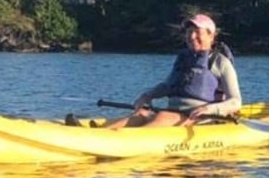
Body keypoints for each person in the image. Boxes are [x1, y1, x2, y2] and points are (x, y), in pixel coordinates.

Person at [102, 13, 242, 129]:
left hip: (201, 119)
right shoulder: (183, 59)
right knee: (141, 113)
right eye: (189, 32)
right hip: (174, 113)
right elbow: (167, 86)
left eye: (197, 32)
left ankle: (126, 141)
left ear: (211, 36)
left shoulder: (221, 63)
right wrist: (147, 96)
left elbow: (235, 102)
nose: (192, 36)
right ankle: (104, 133)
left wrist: (208, 110)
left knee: (164, 117)